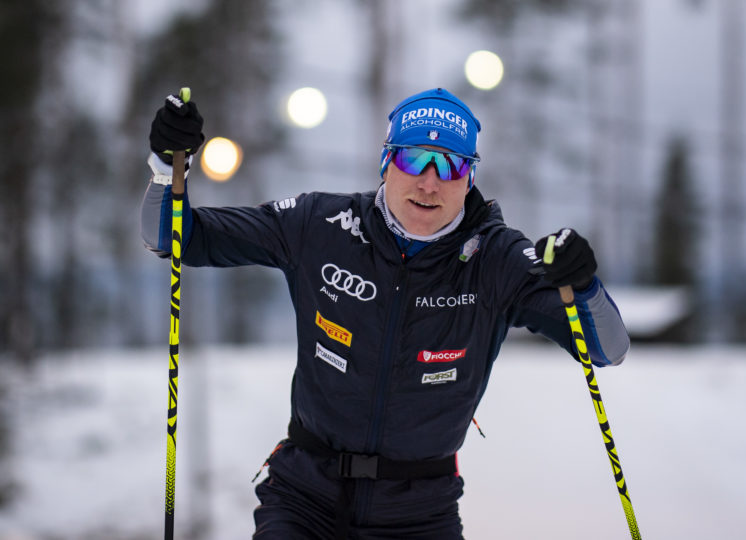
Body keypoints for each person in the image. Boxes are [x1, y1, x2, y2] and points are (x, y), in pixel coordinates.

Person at [141, 87, 630, 539]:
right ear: (386, 162)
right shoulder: (320, 225)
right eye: (414, 158)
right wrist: (167, 168)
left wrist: (584, 285)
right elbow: (173, 237)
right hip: (305, 497)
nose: (429, 182)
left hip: (419, 513)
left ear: (469, 178)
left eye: (451, 166)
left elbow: (607, 349)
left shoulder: (496, 260)